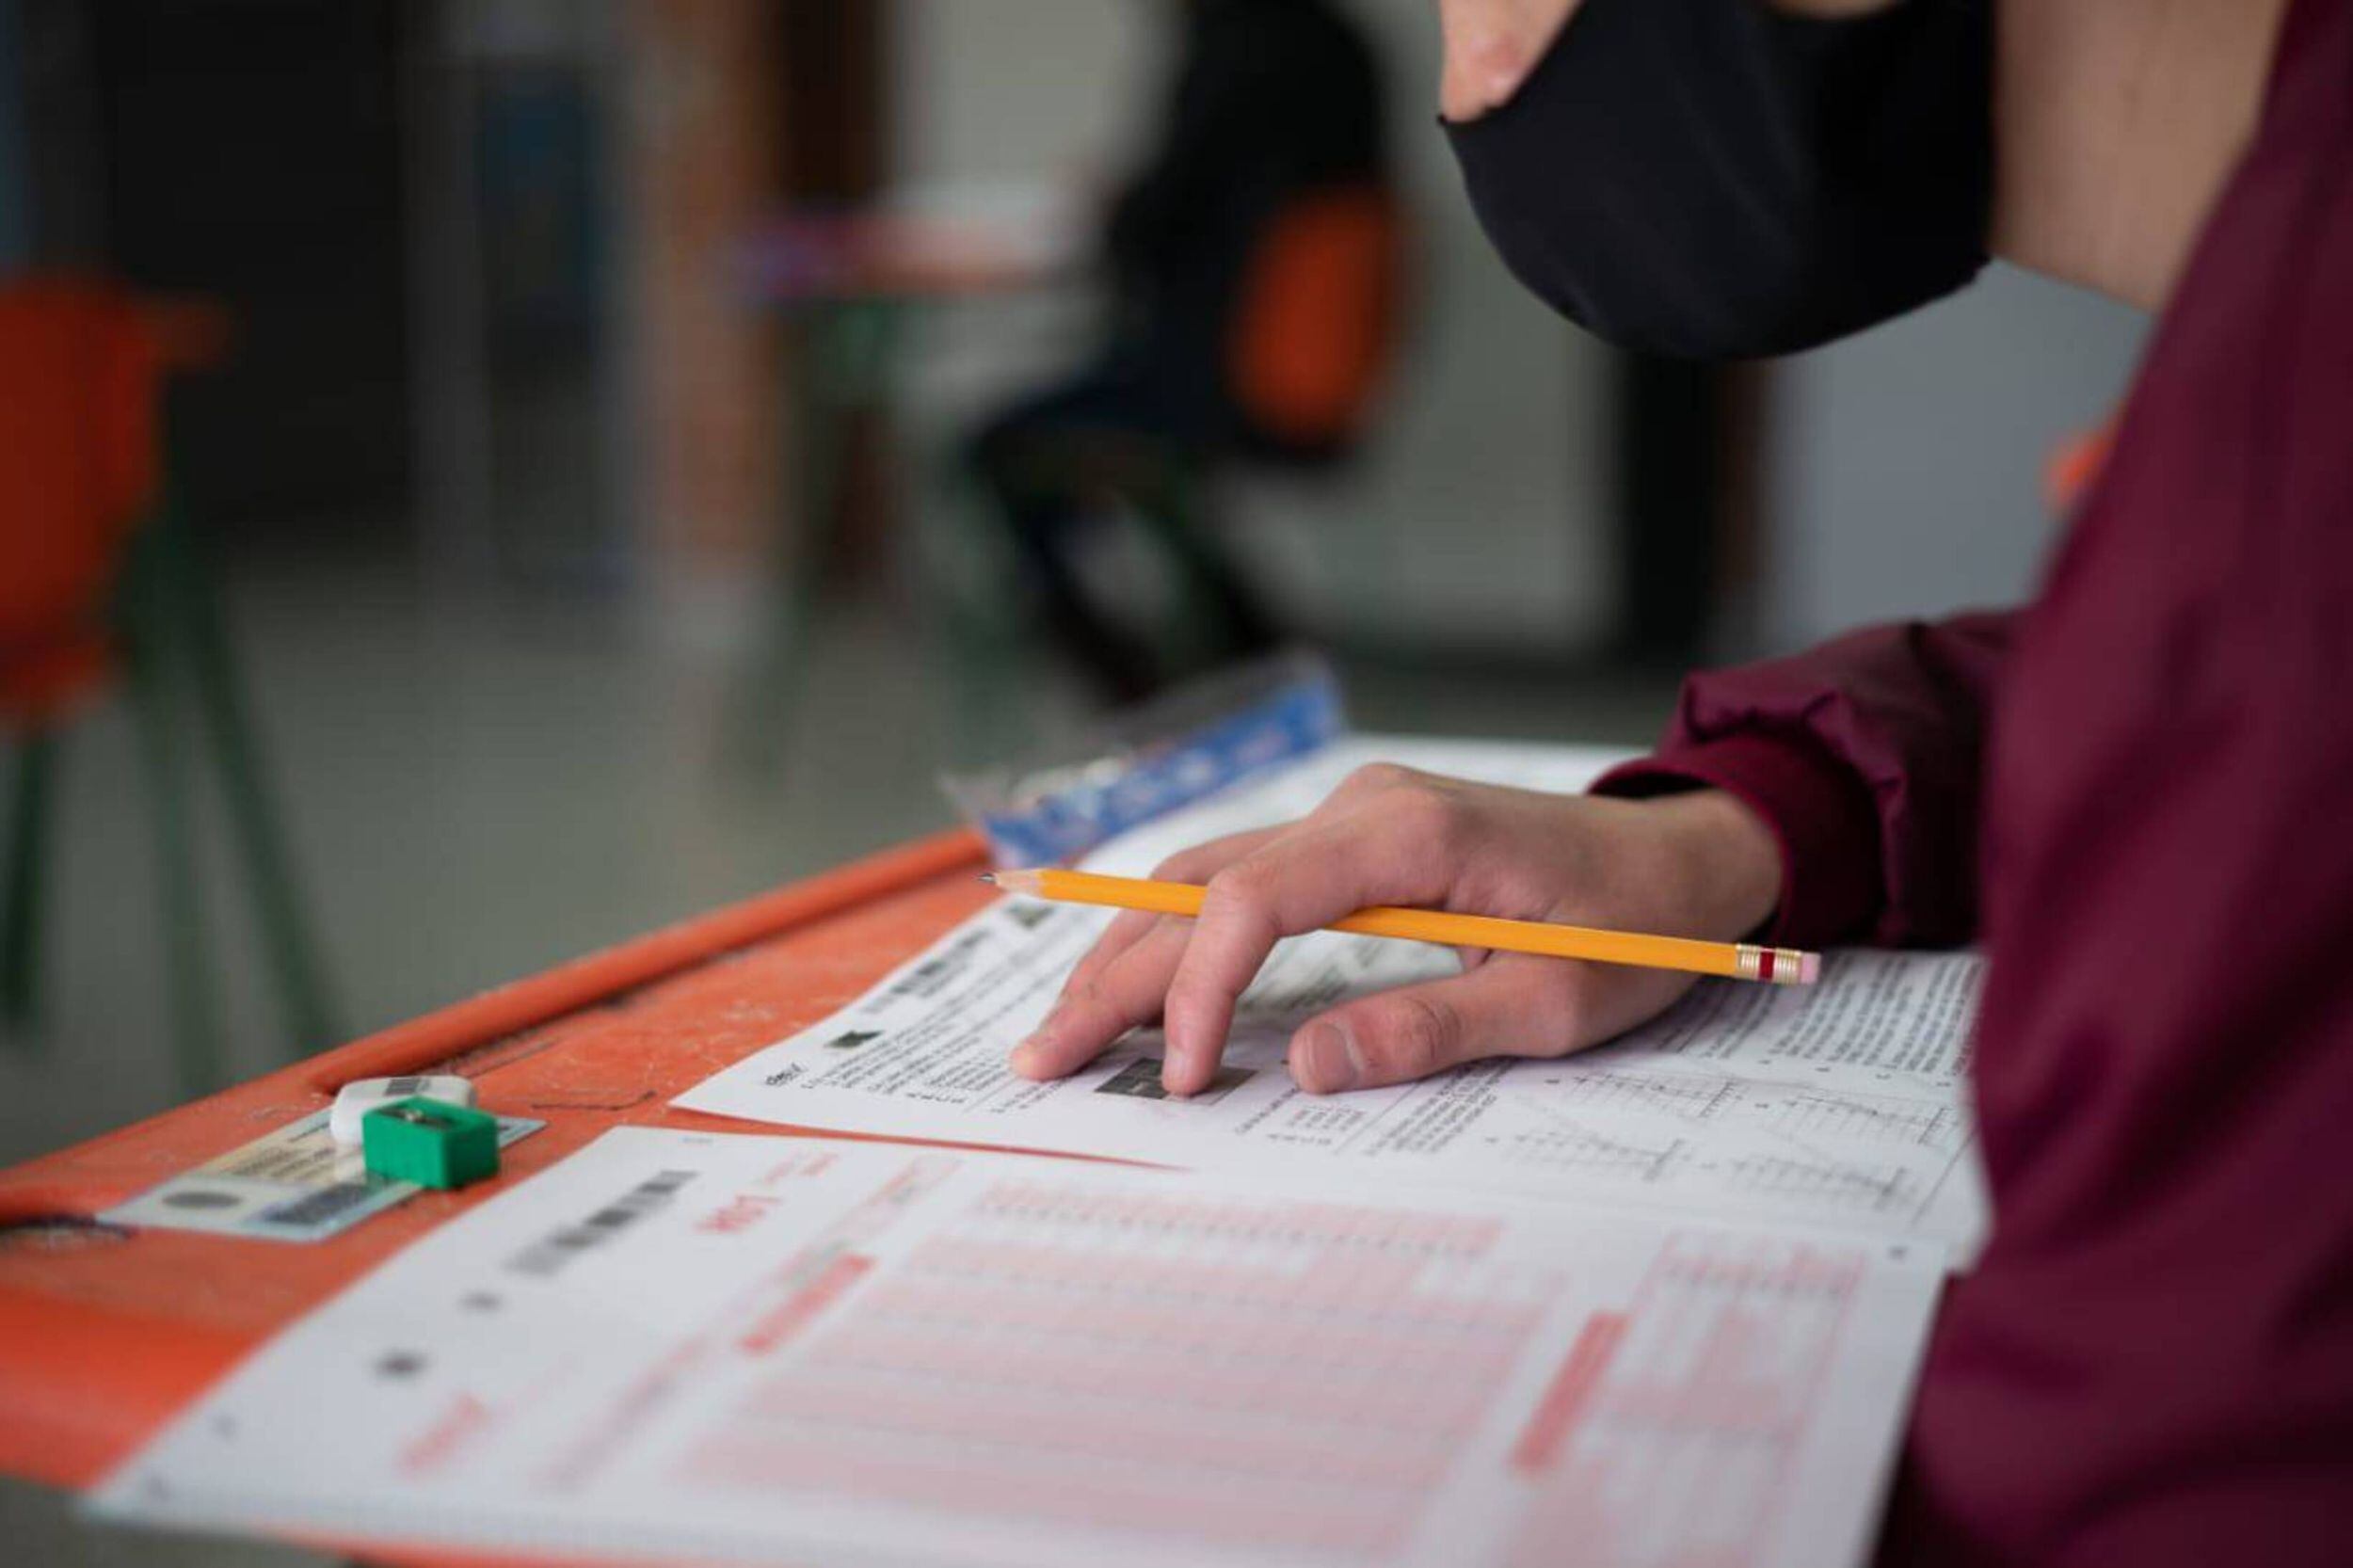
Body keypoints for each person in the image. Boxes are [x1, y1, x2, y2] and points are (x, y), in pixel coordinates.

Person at [1009, 0, 2353, 1562]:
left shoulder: (2293, 445)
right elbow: (2110, 682)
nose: (1483, 74)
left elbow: (2152, 1477)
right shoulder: (2276, 334)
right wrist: (1738, 824)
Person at [966, 0, 1387, 702]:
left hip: (1228, 373)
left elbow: (1157, 219)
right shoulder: (1336, 39)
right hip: (1298, 367)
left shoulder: (1234, 43)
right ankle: (1252, 656)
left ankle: (1130, 686)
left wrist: (1112, 209)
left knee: (997, 449)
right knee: (1145, 471)